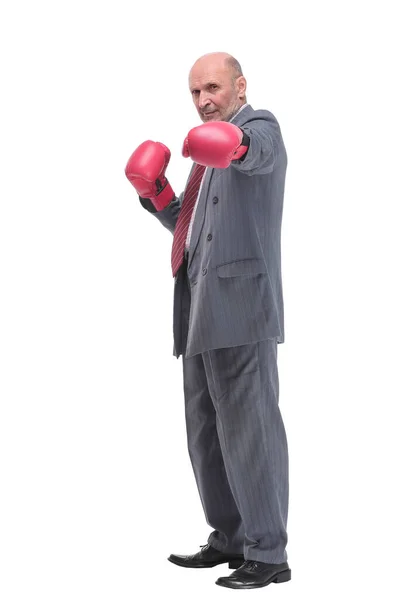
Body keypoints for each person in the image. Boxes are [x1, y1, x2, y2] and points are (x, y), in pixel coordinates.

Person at [125, 52, 290, 590]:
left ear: (240, 86)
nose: (204, 101)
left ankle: (269, 554)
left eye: (213, 88)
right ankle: (228, 539)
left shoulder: (258, 128)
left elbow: (256, 156)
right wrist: (158, 196)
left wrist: (234, 143)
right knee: (205, 435)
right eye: (195, 93)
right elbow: (194, 233)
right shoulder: (202, 156)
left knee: (250, 434)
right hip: (196, 309)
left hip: (241, 310)